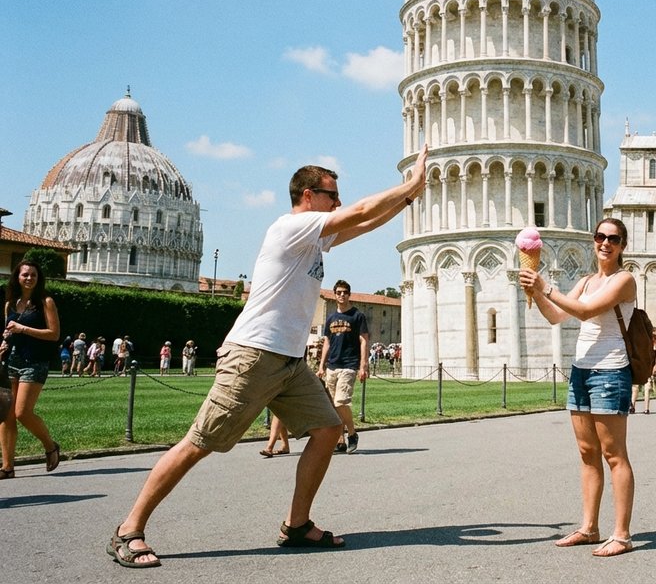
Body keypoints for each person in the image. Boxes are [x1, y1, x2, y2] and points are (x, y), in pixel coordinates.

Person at [106, 145, 429, 568]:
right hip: (254, 354)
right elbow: (364, 209)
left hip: (290, 361)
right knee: (199, 443)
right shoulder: (290, 227)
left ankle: (296, 525)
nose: (339, 202)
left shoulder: (314, 239)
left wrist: (409, 197)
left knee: (329, 430)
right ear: (309, 196)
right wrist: (410, 183)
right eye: (333, 195)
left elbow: (367, 221)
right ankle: (128, 529)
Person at [519, 217, 636, 557]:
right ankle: (590, 528)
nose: (605, 243)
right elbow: (558, 316)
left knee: (615, 455)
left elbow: (585, 312)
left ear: (622, 245)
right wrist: (535, 293)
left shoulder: (624, 280)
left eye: (613, 238)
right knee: (587, 456)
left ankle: (622, 534)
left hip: (610, 372)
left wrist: (545, 286)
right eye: (600, 236)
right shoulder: (586, 281)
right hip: (581, 372)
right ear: (593, 240)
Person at [0, 260, 63, 479]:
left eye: (33, 275)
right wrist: (4, 342)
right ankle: (7, 467)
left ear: (39, 278)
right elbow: (8, 332)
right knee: (6, 415)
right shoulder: (10, 303)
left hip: (34, 362)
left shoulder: (46, 302)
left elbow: (53, 334)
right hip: (11, 361)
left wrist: (23, 328)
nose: (29, 278)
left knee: (22, 412)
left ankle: (50, 445)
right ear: (17, 277)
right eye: (25, 274)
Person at [317, 280, 370, 454]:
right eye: (339, 292)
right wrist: (321, 365)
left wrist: (363, 365)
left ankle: (352, 434)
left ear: (349, 294)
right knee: (332, 406)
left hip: (349, 364)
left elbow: (363, 340)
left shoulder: (357, 316)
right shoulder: (331, 318)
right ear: (334, 294)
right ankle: (340, 441)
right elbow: (327, 342)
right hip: (332, 365)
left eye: (345, 292)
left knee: (341, 401)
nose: (342, 295)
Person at [641, 334, 656, 413]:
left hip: (651, 369)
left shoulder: (652, 346)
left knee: (649, 389)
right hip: (654, 370)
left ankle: (647, 409)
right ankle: (650, 408)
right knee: (653, 388)